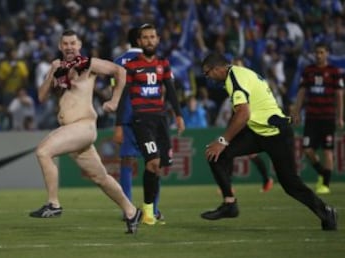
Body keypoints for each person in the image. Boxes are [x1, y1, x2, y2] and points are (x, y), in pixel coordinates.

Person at [200, 52, 337, 231]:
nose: (207, 77)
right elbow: (242, 111)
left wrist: (223, 140)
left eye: (207, 72)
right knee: (215, 155)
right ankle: (230, 204)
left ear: (217, 69)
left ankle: (326, 212)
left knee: (290, 184)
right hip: (258, 131)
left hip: (276, 133)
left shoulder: (234, 79)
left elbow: (244, 113)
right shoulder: (238, 74)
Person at [28, 29, 142, 234]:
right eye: (65, 44)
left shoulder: (88, 63)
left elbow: (120, 72)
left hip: (83, 126)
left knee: (43, 151)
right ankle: (132, 211)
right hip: (72, 131)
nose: (69, 47)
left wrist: (115, 101)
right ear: (60, 47)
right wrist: (51, 73)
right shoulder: (58, 67)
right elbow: (42, 97)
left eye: (73, 43)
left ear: (79, 45)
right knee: (101, 178)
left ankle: (53, 204)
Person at [116, 23, 185, 225]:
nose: (149, 40)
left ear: (158, 39)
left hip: (161, 120)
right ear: (139, 41)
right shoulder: (130, 66)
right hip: (139, 120)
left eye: (152, 37)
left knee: (158, 166)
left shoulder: (164, 63)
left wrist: (179, 115)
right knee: (151, 162)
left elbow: (170, 90)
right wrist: (118, 124)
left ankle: (150, 209)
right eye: (145, 37)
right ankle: (141, 210)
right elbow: (122, 96)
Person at [112, 27, 164, 223]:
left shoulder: (118, 62)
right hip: (151, 119)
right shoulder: (155, 62)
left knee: (126, 163)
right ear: (140, 40)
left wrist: (118, 122)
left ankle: (128, 209)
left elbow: (116, 93)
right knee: (154, 163)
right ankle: (154, 209)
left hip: (127, 120)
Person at [292, 42, 344, 194]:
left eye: (321, 52)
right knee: (307, 150)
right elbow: (301, 93)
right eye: (317, 52)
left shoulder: (334, 71)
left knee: (328, 152)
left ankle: (325, 185)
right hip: (311, 117)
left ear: (327, 53)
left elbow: (339, 96)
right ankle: (323, 173)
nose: (318, 55)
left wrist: (340, 117)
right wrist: (296, 112)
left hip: (328, 117)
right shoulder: (308, 71)